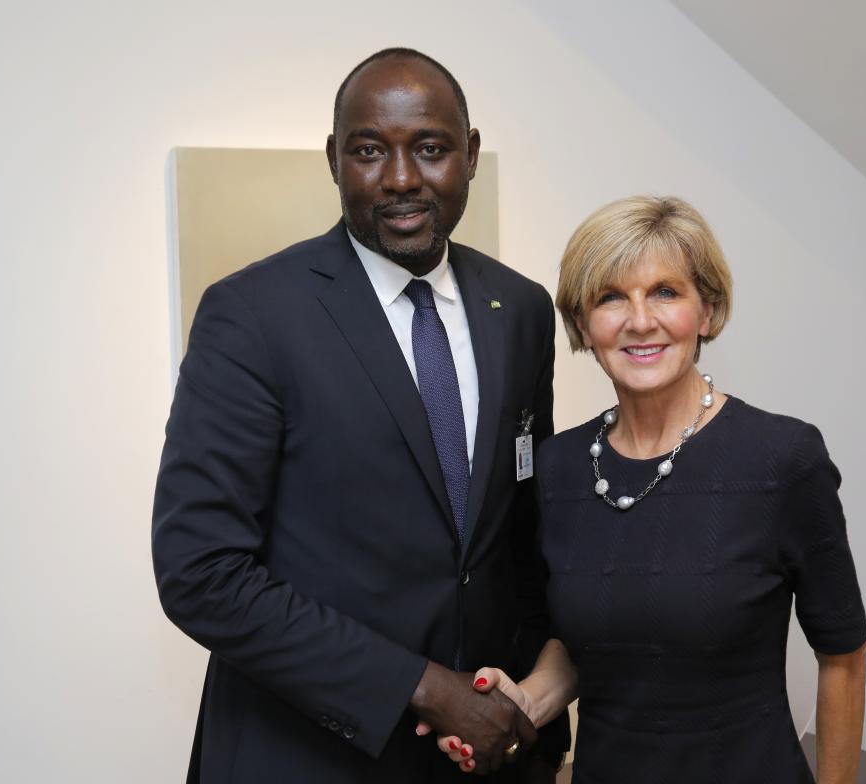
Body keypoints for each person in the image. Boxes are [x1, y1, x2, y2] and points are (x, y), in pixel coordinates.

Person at [152, 48, 567, 783]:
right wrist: (425, 689)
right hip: (306, 756)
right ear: (334, 159)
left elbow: (520, 532)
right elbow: (201, 571)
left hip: (484, 757)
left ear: (469, 156)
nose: (402, 179)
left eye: (431, 149)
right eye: (369, 151)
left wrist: (524, 714)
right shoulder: (252, 315)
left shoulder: (521, 309)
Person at [431, 196, 866, 783]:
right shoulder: (557, 468)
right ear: (584, 325)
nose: (640, 319)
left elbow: (842, 656)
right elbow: (589, 639)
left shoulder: (782, 459)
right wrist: (523, 703)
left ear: (707, 311)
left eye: (666, 291)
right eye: (611, 296)